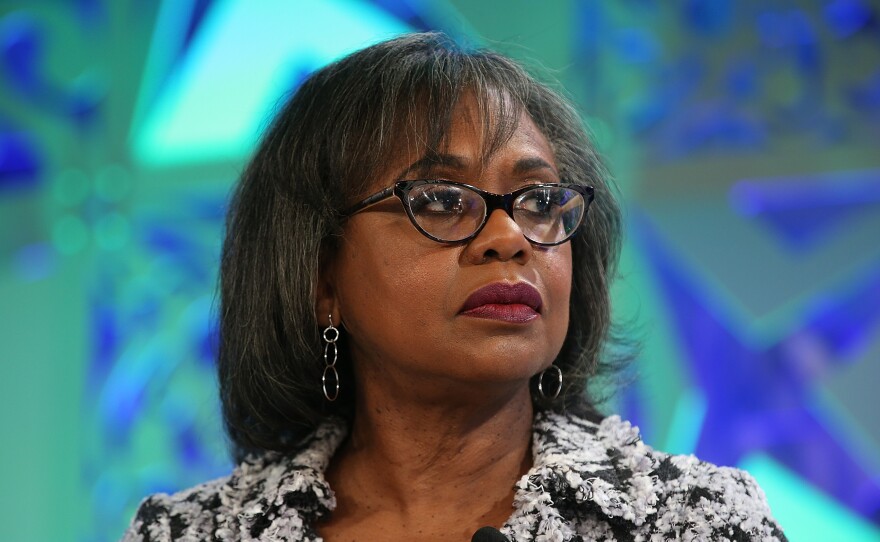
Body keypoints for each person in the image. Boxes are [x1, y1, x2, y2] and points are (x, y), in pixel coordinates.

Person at [122, 32, 787, 541]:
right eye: (441, 200)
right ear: (321, 276)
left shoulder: (689, 523)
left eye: (539, 199)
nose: (511, 237)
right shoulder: (192, 532)